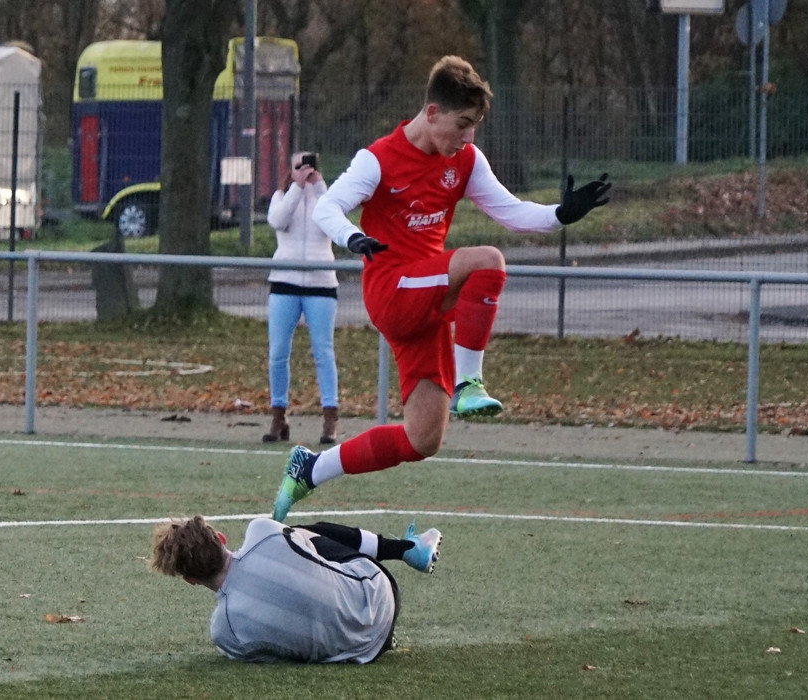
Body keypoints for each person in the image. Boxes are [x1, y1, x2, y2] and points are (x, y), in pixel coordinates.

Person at [272, 55, 610, 522]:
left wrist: (560, 214)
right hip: (392, 289)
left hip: (427, 297)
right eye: (462, 124)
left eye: (475, 127)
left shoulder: (465, 160)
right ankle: (469, 382)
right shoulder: (378, 159)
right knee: (487, 262)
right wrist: (351, 237)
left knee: (423, 438)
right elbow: (329, 207)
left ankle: (310, 469)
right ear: (432, 113)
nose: (468, 137)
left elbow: (511, 211)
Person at [150, 515, 442, 664]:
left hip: (363, 652)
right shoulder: (261, 531)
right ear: (220, 537)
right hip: (380, 593)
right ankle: (406, 549)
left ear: (189, 580)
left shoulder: (224, 633)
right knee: (299, 533)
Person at [262, 151, 340, 445]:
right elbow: (277, 221)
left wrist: (318, 187)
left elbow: (333, 224)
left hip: (321, 282)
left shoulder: (325, 197)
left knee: (323, 351)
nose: (304, 171)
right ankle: (278, 416)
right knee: (278, 352)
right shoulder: (282, 197)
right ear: (290, 170)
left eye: (309, 166)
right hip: (285, 281)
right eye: (298, 167)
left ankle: (330, 418)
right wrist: (296, 187)